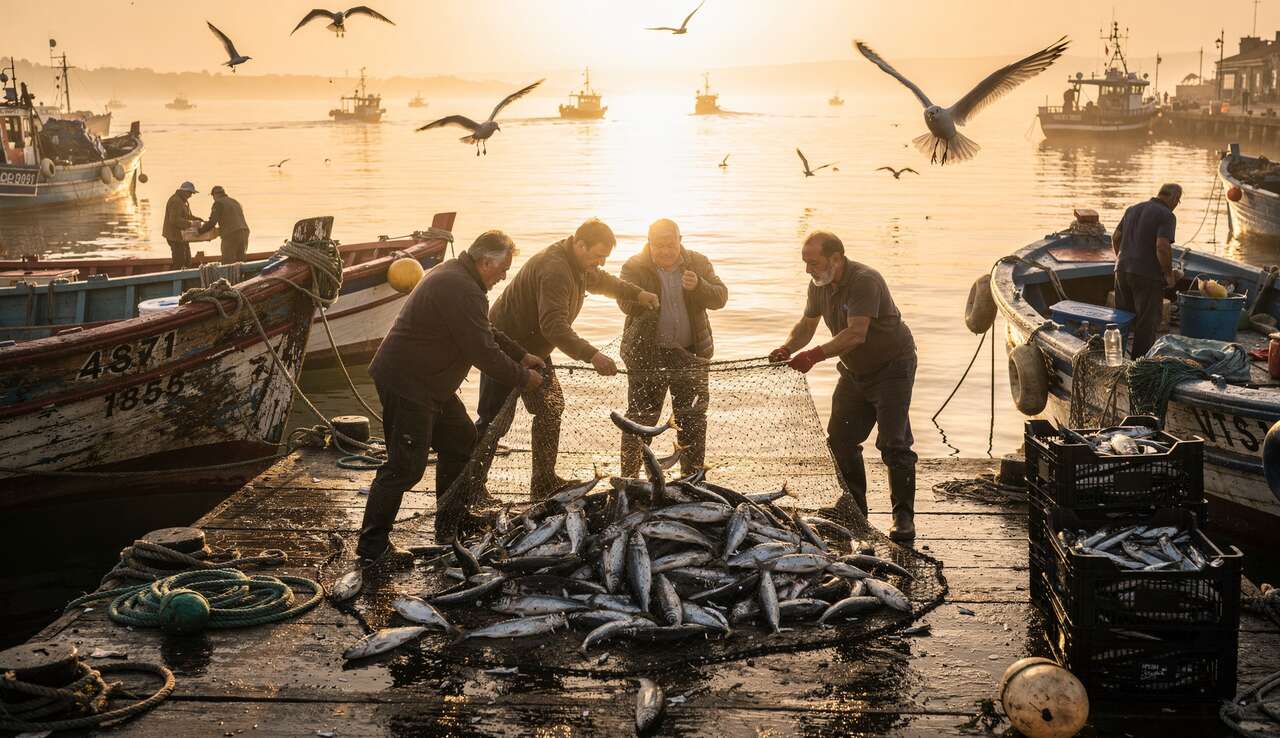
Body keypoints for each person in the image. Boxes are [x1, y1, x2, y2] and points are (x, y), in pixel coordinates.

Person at [356, 230, 544, 566]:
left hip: (431, 382)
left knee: (460, 439)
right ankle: (372, 547)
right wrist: (522, 377)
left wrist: (521, 354)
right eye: (502, 270)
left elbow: (484, 330)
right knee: (404, 467)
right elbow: (482, 352)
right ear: (485, 261)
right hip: (408, 382)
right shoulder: (459, 286)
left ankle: (451, 520)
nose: (503, 277)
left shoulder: (461, 279)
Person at [477, 218, 659, 499]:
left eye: (604, 257)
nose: (599, 262)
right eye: (597, 255)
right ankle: (471, 487)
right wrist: (592, 355)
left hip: (536, 350)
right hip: (504, 346)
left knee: (551, 409)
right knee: (494, 421)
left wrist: (637, 294)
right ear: (579, 244)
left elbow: (604, 282)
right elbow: (554, 327)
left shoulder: (581, 264)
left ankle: (544, 481)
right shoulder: (556, 269)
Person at [770, 231, 919, 542]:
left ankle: (903, 517)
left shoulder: (865, 281)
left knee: (894, 443)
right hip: (854, 370)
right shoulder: (819, 285)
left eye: (813, 263)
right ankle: (853, 506)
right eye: (805, 263)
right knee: (840, 440)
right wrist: (787, 348)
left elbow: (856, 334)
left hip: (892, 367)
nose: (808, 270)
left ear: (835, 259)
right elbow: (807, 325)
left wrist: (813, 356)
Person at [617, 218, 727, 476]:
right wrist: (641, 299)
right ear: (649, 243)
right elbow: (624, 303)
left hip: (691, 353)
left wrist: (699, 286)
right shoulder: (634, 266)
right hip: (647, 356)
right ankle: (630, 478)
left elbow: (720, 296)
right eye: (659, 245)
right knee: (640, 419)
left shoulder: (698, 262)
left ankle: (692, 478)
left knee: (693, 421)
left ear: (680, 240)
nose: (665, 250)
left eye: (670, 244)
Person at [1112, 183, 1181, 358]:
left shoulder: (1132, 209)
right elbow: (1162, 246)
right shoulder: (1167, 215)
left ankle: (1114, 359)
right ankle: (1138, 366)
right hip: (1147, 275)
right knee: (1146, 323)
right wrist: (1168, 274)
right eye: (1178, 201)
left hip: (1121, 270)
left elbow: (1116, 237)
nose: (1176, 204)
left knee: (1122, 319)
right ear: (1174, 198)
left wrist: (1122, 259)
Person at [197, 185, 251, 263]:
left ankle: (228, 275)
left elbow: (212, 222)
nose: (213, 198)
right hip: (244, 232)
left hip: (231, 234)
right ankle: (241, 275)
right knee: (240, 260)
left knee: (227, 261)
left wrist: (200, 231)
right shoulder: (234, 201)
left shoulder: (218, 203)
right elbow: (232, 220)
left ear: (215, 195)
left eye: (213, 196)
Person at [162, 182, 201, 268]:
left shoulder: (182, 200)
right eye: (190, 193)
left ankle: (184, 278)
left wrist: (197, 219)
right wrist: (191, 224)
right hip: (174, 236)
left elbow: (186, 216)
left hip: (182, 236)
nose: (191, 195)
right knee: (179, 262)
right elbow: (174, 220)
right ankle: (175, 278)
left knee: (187, 260)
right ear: (184, 191)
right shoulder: (176, 201)